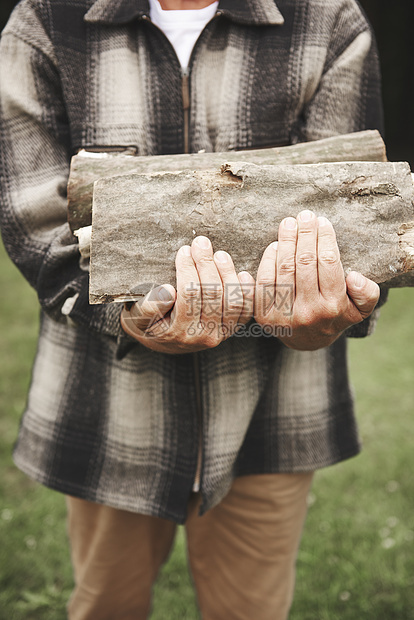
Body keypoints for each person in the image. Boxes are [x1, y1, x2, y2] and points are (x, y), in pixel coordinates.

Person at [0, 0, 386, 618]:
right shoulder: (48, 18)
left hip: (273, 411)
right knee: (105, 606)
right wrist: (124, 314)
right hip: (110, 408)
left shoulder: (326, 19)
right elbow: (34, 218)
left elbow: (353, 216)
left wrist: (322, 316)